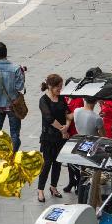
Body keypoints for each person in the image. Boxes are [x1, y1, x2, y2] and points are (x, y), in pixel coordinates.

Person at [36, 74, 70, 202]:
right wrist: (62, 128)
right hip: (49, 137)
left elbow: (67, 113)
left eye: (61, 86)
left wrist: (67, 126)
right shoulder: (43, 100)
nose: (60, 89)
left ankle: (53, 186)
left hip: (61, 136)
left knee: (58, 163)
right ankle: (40, 190)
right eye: (58, 87)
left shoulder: (61, 98)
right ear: (50, 86)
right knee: (47, 163)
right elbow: (49, 118)